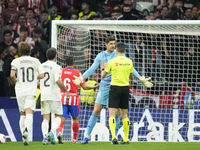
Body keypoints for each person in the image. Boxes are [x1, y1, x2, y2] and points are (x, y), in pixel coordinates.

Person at [72, 36, 153, 144]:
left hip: (116, 87)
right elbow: (92, 69)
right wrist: (82, 78)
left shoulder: (120, 55)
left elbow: (130, 68)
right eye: (111, 43)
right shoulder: (101, 56)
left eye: (114, 43)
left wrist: (140, 77)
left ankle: (114, 138)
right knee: (96, 110)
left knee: (117, 114)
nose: (113, 45)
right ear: (106, 44)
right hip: (105, 87)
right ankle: (86, 136)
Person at [57, 55, 99, 144]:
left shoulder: (61, 71)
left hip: (63, 96)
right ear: (74, 63)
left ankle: (60, 133)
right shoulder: (77, 73)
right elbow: (84, 87)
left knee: (62, 118)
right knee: (75, 119)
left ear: (65, 63)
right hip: (73, 98)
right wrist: (95, 86)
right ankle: (74, 139)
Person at [10, 42, 44, 145]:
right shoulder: (35, 61)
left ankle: (23, 137)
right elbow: (42, 75)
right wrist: (33, 76)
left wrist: (17, 81)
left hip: (20, 90)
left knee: (22, 113)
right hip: (31, 89)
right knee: (29, 112)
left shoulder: (15, 61)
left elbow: (12, 75)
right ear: (30, 50)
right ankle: (26, 132)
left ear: (19, 51)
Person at [101, 42, 133, 144]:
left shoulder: (111, 61)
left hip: (115, 88)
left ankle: (114, 137)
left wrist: (103, 67)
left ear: (116, 50)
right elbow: (130, 76)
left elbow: (103, 76)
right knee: (125, 115)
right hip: (125, 88)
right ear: (124, 50)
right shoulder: (129, 61)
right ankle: (126, 139)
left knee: (112, 114)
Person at [40, 48, 70, 145]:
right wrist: (65, 90)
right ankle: (52, 132)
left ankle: (45, 138)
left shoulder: (41, 66)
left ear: (46, 56)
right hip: (54, 94)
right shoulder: (57, 67)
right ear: (56, 56)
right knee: (58, 116)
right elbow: (57, 80)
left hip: (44, 95)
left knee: (45, 118)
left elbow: (38, 79)